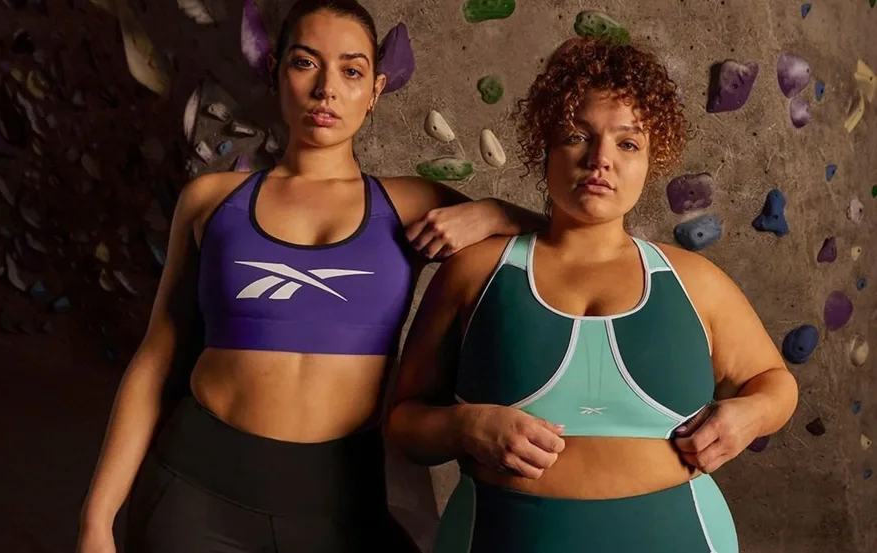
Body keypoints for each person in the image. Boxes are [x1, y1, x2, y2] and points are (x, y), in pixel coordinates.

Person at [75, 1, 546, 552]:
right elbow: (158, 357)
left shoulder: (413, 203)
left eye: (351, 71)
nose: (327, 89)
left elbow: (571, 245)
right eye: (305, 63)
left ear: (375, 90)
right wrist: (97, 518)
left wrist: (495, 212)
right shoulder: (210, 200)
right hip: (197, 494)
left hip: (339, 505)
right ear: (276, 72)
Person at [386, 37, 799, 553]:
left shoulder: (697, 282)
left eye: (628, 143)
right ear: (545, 146)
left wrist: (750, 415)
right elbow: (403, 424)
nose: (601, 159)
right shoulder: (474, 273)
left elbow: (776, 383)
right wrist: (464, 426)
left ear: (652, 159)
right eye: (577, 136)